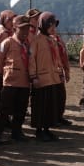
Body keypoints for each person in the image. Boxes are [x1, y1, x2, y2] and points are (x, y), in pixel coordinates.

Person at [0, 14, 32, 143]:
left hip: (24, 81)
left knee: (21, 108)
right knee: (4, 109)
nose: (25, 32)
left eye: (27, 29)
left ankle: (16, 132)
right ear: (14, 29)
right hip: (10, 82)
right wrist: (6, 75)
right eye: (22, 29)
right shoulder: (7, 42)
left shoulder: (27, 44)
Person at [28, 12, 61, 142]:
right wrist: (33, 76)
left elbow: (56, 59)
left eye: (54, 25)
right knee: (40, 105)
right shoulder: (36, 40)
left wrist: (60, 73)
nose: (53, 28)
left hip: (52, 77)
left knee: (50, 105)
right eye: (50, 25)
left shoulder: (52, 40)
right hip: (41, 78)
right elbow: (31, 59)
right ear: (43, 25)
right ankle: (39, 130)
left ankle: (47, 129)